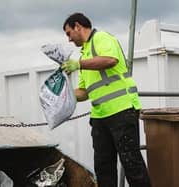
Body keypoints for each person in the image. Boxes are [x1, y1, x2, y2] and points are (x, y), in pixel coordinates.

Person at [61, 12, 151, 187]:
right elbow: (84, 92)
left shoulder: (101, 38)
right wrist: (65, 95)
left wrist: (79, 64)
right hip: (100, 117)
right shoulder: (85, 55)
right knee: (103, 166)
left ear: (78, 26)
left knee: (131, 163)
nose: (69, 39)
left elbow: (110, 60)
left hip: (122, 110)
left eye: (68, 33)